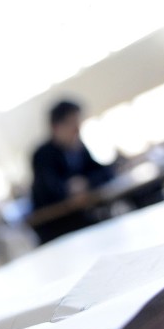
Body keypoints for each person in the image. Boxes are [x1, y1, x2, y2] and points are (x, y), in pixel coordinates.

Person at [29, 99, 114, 243]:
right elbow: (49, 191)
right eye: (73, 125)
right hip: (56, 226)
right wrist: (68, 188)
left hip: (81, 215)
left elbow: (105, 172)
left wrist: (85, 182)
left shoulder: (78, 148)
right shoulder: (43, 155)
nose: (77, 130)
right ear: (56, 127)